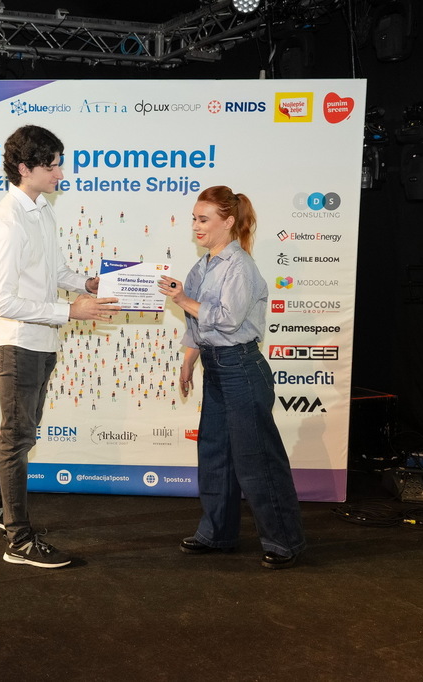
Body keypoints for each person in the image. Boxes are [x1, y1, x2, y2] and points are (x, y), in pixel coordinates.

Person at [0, 125, 120, 568]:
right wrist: (69, 311)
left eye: (59, 163)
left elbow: (54, 272)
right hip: (17, 342)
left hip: (40, 340)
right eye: (52, 165)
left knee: (19, 431)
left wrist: (87, 284)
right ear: (25, 168)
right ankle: (18, 540)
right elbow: (5, 301)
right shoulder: (7, 221)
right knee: (18, 437)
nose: (60, 173)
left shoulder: (41, 210)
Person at [159, 185, 306, 570]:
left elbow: (226, 319)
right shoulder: (203, 266)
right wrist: (189, 361)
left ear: (227, 222)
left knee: (257, 459)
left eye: (203, 219)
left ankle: (284, 542)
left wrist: (181, 298)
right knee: (215, 455)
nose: (196, 226)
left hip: (241, 368)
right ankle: (217, 533)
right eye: (194, 219)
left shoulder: (240, 266)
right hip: (216, 368)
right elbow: (197, 323)